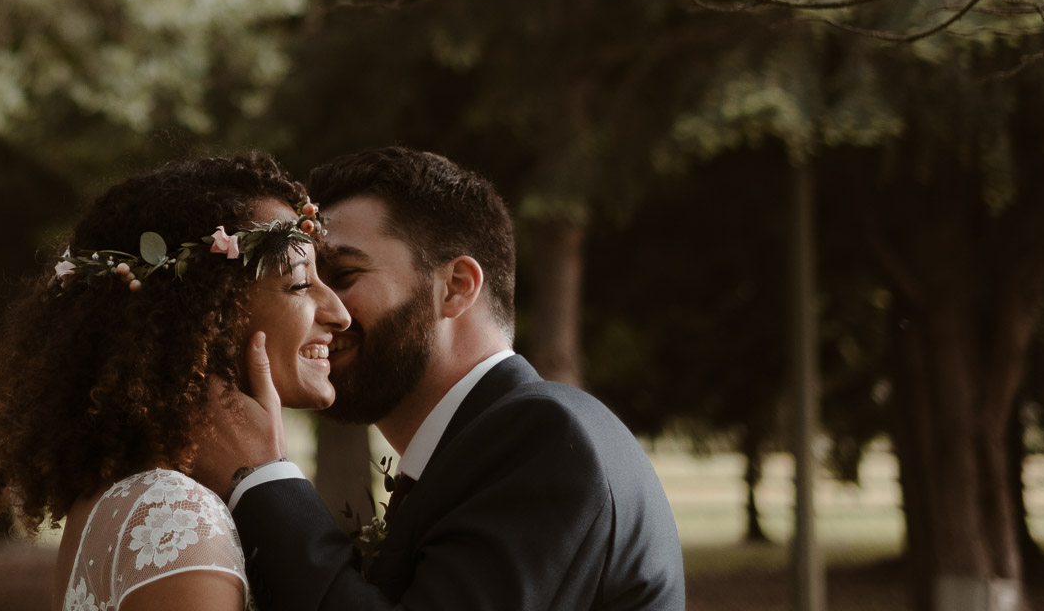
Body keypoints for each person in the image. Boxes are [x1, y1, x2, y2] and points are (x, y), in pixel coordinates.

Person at [190, 146, 686, 611]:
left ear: (456, 287)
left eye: (342, 276)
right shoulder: (478, 453)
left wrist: (261, 477)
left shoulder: (544, 437)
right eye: (305, 283)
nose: (328, 310)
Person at [0, 153, 352, 611]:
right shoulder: (175, 516)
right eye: (299, 283)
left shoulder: (128, 500)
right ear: (206, 315)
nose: (340, 313)